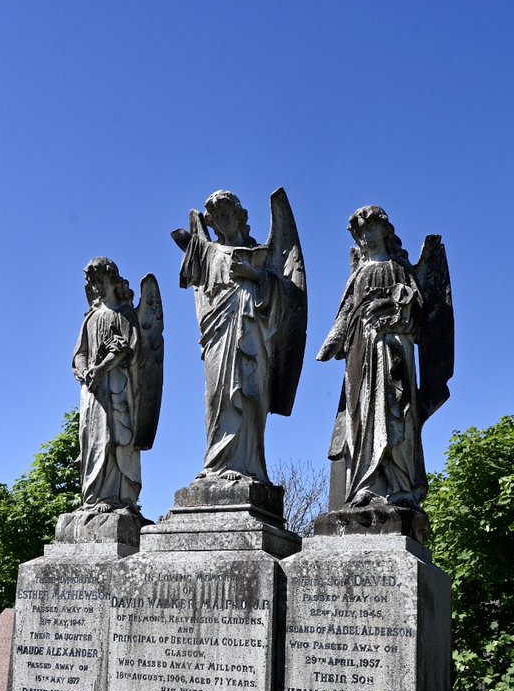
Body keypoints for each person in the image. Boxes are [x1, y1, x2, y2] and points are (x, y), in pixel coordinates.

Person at [173, 189, 305, 483]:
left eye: (227, 215)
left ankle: (247, 467)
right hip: (217, 333)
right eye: (217, 218)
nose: (223, 221)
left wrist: (253, 274)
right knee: (215, 398)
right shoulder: (209, 253)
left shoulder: (260, 256)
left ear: (240, 216)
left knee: (249, 396)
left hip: (253, 335)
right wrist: (192, 233)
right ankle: (215, 463)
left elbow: (284, 295)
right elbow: (188, 267)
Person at [318, 206, 428, 510]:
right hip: (361, 353)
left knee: (396, 411)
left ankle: (400, 485)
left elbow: (417, 308)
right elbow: (345, 313)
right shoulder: (358, 275)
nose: (365, 237)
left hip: (393, 348)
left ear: (384, 230)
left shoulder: (398, 267)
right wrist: (332, 342)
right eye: (359, 233)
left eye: (369, 229)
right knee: (362, 416)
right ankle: (365, 484)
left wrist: (391, 303)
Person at [72, 257, 141, 510]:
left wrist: (102, 368)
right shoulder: (90, 318)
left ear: (112, 281)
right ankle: (93, 497)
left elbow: (127, 347)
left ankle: (114, 496)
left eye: (100, 281)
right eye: (93, 283)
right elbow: (80, 352)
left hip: (116, 386)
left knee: (113, 435)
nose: (97, 287)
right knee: (90, 439)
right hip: (92, 389)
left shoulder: (124, 314)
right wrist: (85, 370)